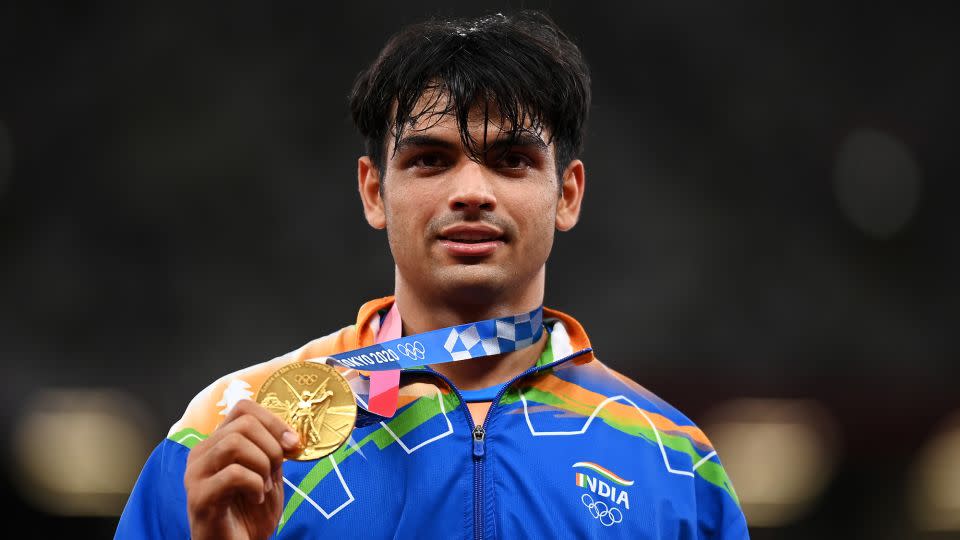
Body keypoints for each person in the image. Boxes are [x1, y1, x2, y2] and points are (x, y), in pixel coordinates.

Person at [116, 11, 749, 539]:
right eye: (429, 159)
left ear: (566, 194)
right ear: (373, 191)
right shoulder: (230, 433)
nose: (471, 191)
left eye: (511, 160)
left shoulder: (673, 464)